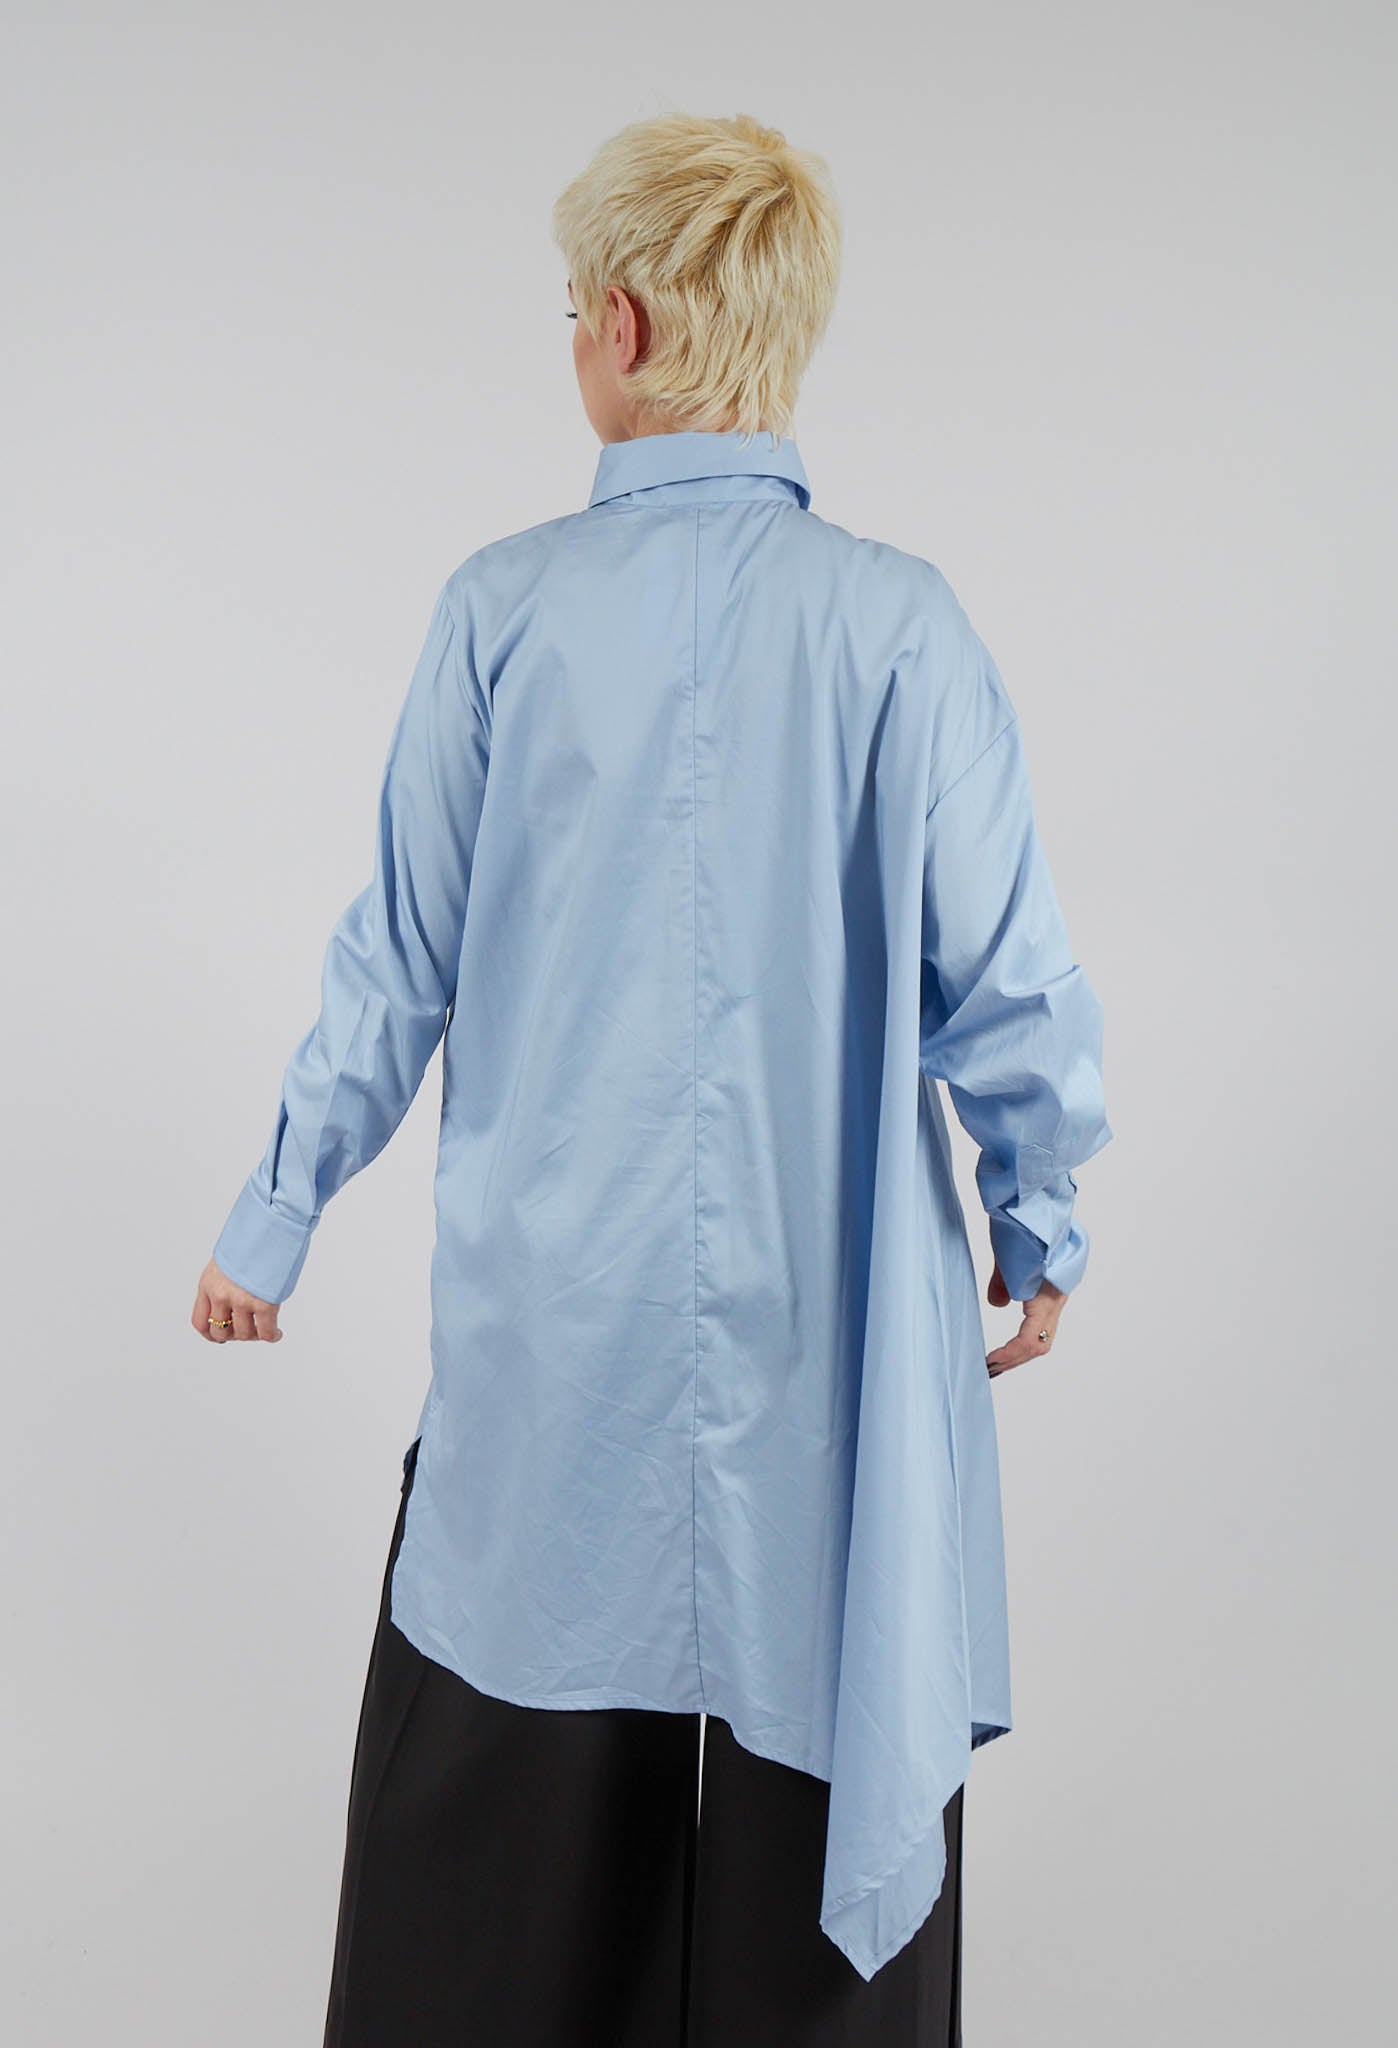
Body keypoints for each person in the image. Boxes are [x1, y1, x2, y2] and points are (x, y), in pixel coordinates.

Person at [191, 109, 1113, 2047]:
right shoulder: (904, 625)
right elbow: (1012, 985)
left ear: (618, 321)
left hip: (554, 1374)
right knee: (820, 1913)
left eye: (568, 307)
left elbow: (397, 960)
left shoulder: (500, 610)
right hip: (829, 1379)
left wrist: (274, 1215)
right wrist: (1040, 1222)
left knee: (489, 1918)